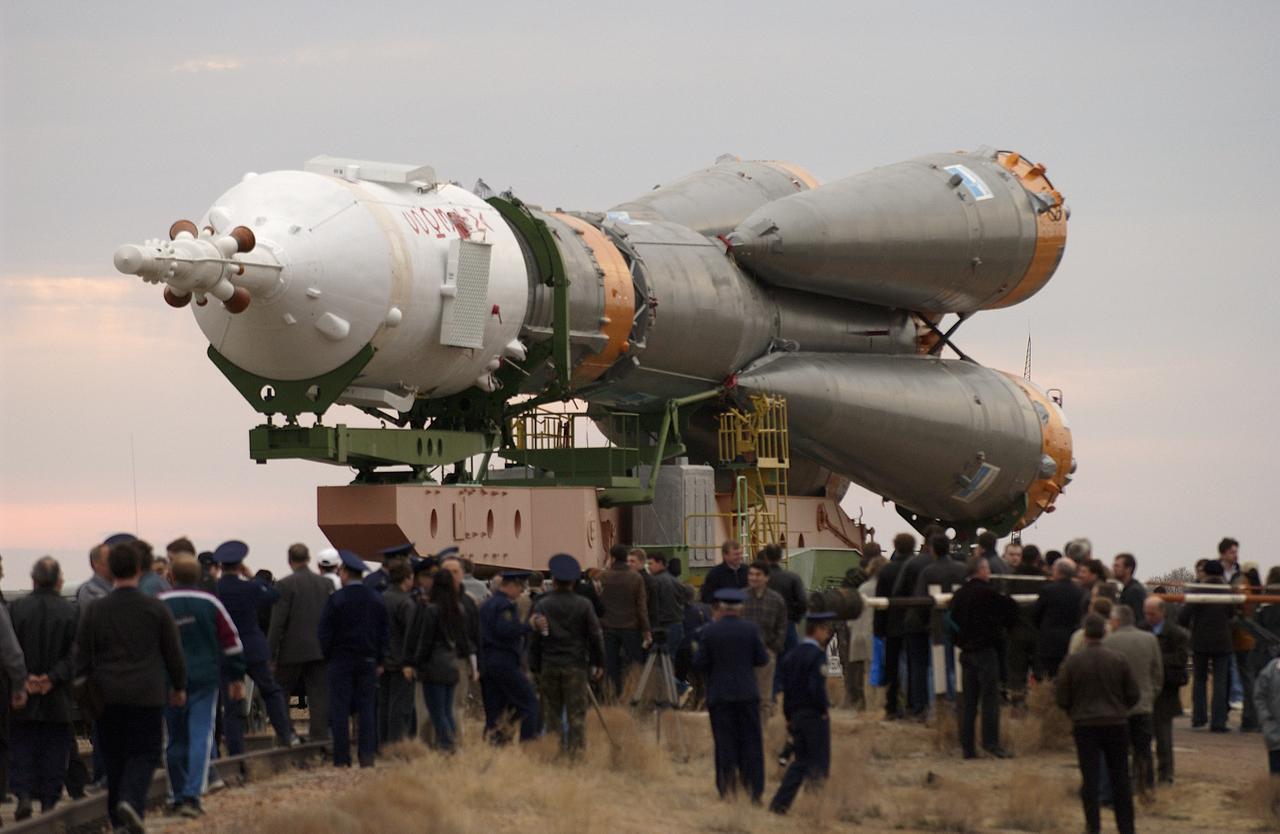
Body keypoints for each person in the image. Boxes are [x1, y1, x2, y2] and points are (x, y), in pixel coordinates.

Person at [75, 540, 187, 833]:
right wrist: (178, 686)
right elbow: (172, 652)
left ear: (110, 570)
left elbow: (81, 657)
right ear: (139, 568)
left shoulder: (95, 610)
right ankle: (131, 801)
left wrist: (84, 694)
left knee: (113, 759)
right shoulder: (155, 608)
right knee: (146, 752)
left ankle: (118, 819)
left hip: (107, 695)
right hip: (146, 693)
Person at [160, 556, 246, 818]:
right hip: (204, 680)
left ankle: (175, 794)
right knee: (201, 735)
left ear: (170, 577)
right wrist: (236, 677)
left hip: (168, 682)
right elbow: (233, 643)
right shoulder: (211, 603)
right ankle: (192, 795)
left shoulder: (159, 604)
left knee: (174, 739)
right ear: (198, 577)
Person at [1056, 613, 1139, 834]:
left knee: (1089, 780)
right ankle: (1127, 827)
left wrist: (1074, 712)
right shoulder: (1118, 659)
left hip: (1085, 725)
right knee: (1120, 779)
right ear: (1104, 633)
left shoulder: (1073, 662)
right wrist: (1121, 709)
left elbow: (1061, 697)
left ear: (1085, 635)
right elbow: (1133, 694)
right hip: (1116, 724)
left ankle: (1093, 827)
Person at [213, 541, 296, 751]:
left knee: (232, 703)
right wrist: (253, 577)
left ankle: (235, 750)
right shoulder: (249, 587)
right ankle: (286, 735)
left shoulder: (216, 589)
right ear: (241, 564)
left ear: (221, 566)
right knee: (271, 691)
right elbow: (274, 594)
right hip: (253, 649)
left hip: (226, 650)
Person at [9, 557, 74, 819]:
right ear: (59, 580)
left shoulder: (16, 609)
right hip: (57, 693)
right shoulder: (72, 611)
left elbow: (8, 650)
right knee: (55, 749)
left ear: (33, 580)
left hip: (22, 692)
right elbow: (77, 654)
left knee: (22, 746)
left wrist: (24, 679)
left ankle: (23, 794)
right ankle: (49, 801)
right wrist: (52, 678)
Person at [693, 588, 769, 802]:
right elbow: (762, 659)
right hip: (747, 693)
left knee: (725, 743)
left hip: (720, 695)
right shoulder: (751, 630)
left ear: (720, 607)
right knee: (752, 743)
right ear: (740, 608)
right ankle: (754, 790)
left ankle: (727, 789)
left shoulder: (709, 631)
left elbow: (699, 663)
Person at [529, 554, 605, 756]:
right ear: (573, 582)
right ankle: (576, 755)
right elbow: (596, 636)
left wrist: (534, 666)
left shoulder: (543, 604)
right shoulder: (584, 605)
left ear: (553, 580)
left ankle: (555, 754)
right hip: (576, 666)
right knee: (576, 714)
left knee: (551, 713)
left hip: (549, 664)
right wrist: (599, 664)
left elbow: (535, 639)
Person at [318, 549, 389, 767]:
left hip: (340, 661)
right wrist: (380, 660)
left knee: (340, 710)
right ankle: (367, 756)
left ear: (346, 573)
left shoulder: (336, 599)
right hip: (368, 661)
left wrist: (328, 656)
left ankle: (342, 758)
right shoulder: (376, 599)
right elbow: (384, 632)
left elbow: (324, 632)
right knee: (367, 710)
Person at [948, 555, 1018, 759]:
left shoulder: (959, 595)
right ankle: (991, 743)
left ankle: (967, 747)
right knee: (989, 700)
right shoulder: (989, 594)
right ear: (982, 570)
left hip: (966, 653)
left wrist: (960, 641)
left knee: (969, 702)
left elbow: (950, 621)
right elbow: (1010, 610)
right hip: (986, 652)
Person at [769, 611, 836, 815]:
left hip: (796, 715)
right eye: (826, 630)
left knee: (800, 762)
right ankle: (813, 804)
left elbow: (786, 690)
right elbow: (816, 687)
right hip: (813, 716)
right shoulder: (817, 656)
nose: (827, 635)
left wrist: (788, 716)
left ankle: (779, 803)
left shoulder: (791, 656)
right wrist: (823, 709)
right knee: (819, 763)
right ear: (818, 631)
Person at [267, 543, 333, 742]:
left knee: (281, 691)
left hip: (291, 650)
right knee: (319, 695)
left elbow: (278, 622)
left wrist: (270, 654)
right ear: (309, 558)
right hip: (319, 649)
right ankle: (320, 738)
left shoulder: (285, 585)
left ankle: (287, 734)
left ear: (289, 561)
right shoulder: (325, 584)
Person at [407, 569, 474, 752]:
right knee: (447, 711)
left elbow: (425, 641)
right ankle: (451, 744)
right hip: (451, 666)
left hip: (433, 667)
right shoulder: (458, 609)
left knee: (437, 713)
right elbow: (463, 642)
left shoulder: (432, 610)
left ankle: (447, 745)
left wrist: (416, 663)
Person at [1103, 605, 1162, 797]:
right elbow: (1157, 673)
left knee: (1118, 752)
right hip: (1144, 705)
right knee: (1144, 750)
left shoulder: (1109, 642)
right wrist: (1151, 694)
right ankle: (1146, 787)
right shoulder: (1150, 639)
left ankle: (1120, 788)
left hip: (1117, 707)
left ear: (1117, 621)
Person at [478, 571, 540, 742]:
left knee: (496, 708)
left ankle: (496, 744)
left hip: (487, 662)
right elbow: (506, 631)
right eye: (520, 587)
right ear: (511, 586)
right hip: (504, 661)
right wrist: (529, 626)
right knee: (529, 703)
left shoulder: (486, 604)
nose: (521, 592)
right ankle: (529, 743)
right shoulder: (504, 605)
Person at [1179, 559, 1234, 731]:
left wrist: (1190, 629)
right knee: (1220, 681)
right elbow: (1232, 613)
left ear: (1206, 573)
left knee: (1200, 679)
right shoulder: (1227, 591)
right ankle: (1218, 721)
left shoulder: (1198, 590)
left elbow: (1183, 616)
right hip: (1223, 641)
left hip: (1200, 640)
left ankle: (1198, 717)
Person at [1141, 596, 1189, 784]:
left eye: (1152, 614)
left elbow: (1180, 659)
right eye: (1147, 613)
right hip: (1145, 691)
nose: (1149, 617)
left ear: (1162, 612)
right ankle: (1144, 775)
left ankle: (1166, 775)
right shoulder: (1142, 629)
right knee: (1144, 737)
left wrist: (1155, 658)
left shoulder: (1177, 635)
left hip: (1166, 692)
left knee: (1164, 738)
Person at [915, 534, 967, 703]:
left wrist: (926, 622)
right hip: (959, 624)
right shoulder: (962, 569)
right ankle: (958, 703)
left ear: (932, 550)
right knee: (957, 666)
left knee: (936, 667)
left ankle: (937, 706)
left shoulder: (928, 572)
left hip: (937, 623)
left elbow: (921, 601)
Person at [598, 544, 650, 700]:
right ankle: (634, 696)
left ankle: (611, 697)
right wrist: (646, 630)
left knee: (610, 665)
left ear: (612, 558)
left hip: (608, 627)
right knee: (635, 664)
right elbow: (642, 607)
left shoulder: (603, 577)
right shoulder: (636, 577)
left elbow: (598, 603)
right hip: (631, 628)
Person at [439, 555, 483, 732]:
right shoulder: (430, 602)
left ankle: (454, 744)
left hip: (459, 659)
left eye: (455, 572)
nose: (451, 576)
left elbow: (474, 634)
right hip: (434, 662)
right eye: (447, 572)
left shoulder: (467, 602)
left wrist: (476, 664)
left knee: (457, 706)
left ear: (462, 573)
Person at [874, 533, 915, 719]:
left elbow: (880, 602)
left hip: (892, 624)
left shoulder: (887, 571)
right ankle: (913, 703)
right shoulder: (918, 568)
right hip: (914, 624)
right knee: (914, 665)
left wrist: (878, 628)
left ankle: (892, 706)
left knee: (892, 667)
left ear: (895, 546)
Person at [894, 535, 934, 718]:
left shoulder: (912, 564)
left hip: (913, 621)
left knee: (915, 665)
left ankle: (916, 704)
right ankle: (938, 705)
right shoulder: (947, 565)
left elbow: (898, 592)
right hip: (938, 621)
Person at [379, 556, 417, 744]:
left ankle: (383, 744)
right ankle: (396, 745)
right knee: (400, 707)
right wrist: (410, 662)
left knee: (383, 706)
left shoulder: (381, 599)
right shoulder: (406, 603)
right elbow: (411, 636)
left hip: (383, 662)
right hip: (402, 663)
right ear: (407, 578)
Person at [742, 560, 787, 721]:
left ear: (766, 578)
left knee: (764, 697)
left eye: (758, 574)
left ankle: (762, 732)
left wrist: (774, 648)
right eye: (751, 574)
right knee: (744, 695)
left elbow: (782, 626)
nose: (753, 578)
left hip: (766, 653)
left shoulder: (776, 600)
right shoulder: (741, 598)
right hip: (744, 654)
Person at [763, 544, 807, 697]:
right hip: (788, 625)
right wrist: (795, 618)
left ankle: (771, 696)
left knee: (767, 662)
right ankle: (791, 695)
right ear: (781, 557)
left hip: (765, 626)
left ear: (766, 557)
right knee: (791, 662)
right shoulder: (792, 578)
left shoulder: (761, 579)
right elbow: (802, 602)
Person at [1032, 557, 1084, 677]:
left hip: (1049, 640)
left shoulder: (1047, 590)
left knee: (1047, 675)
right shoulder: (1080, 592)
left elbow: (1036, 614)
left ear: (1059, 572)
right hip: (1070, 638)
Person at [645, 552, 690, 689]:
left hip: (665, 626)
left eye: (651, 563)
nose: (649, 567)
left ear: (660, 563)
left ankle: (679, 688)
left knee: (659, 665)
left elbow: (655, 607)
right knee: (669, 662)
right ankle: (673, 692)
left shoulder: (657, 581)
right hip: (677, 625)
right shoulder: (674, 580)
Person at [1255, 648, 1280, 775]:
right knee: (1276, 774)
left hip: (1273, 730)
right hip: (1275, 731)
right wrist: (1265, 717)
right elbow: (1259, 697)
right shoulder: (1270, 671)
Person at [1112, 553, 1147, 623]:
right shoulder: (1128, 589)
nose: (1113, 569)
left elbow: (1139, 618)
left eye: (1117, 566)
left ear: (1128, 569)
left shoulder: (1135, 591)